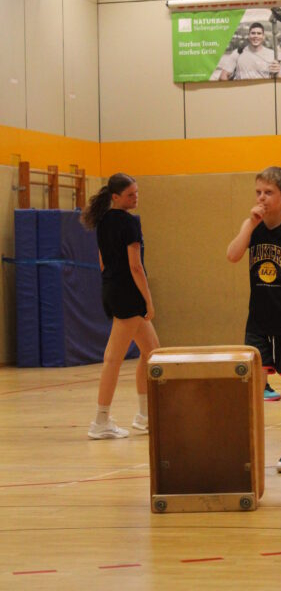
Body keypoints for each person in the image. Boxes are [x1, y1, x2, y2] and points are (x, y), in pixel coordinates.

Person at [226, 166, 281, 472]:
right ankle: (248, 445)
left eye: (268, 192)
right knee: (252, 383)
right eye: (258, 192)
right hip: (259, 322)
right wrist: (249, 225)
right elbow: (232, 255)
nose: (262, 198)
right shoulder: (252, 227)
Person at [81, 173, 160, 439]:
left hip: (113, 289)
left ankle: (144, 416)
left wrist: (111, 285)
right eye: (130, 195)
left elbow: (103, 261)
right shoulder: (129, 223)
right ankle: (100, 420)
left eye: (137, 192)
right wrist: (148, 300)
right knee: (113, 359)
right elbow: (136, 266)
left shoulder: (103, 221)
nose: (135, 198)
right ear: (115, 197)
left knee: (152, 353)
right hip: (129, 294)